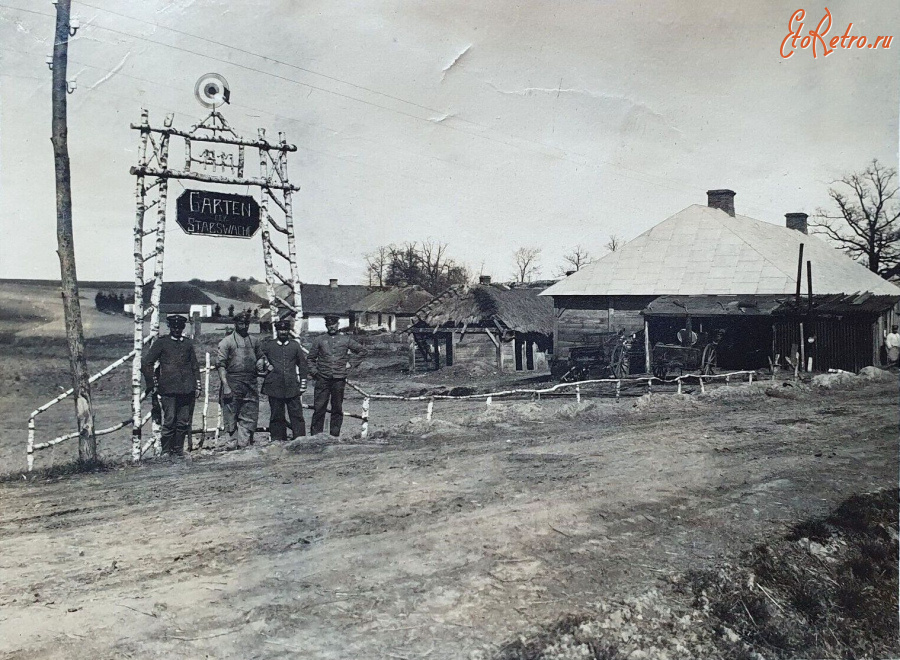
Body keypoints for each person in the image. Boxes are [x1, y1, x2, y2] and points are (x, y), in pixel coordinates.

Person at [141, 314, 201, 456]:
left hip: (187, 389)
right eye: (173, 327)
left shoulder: (187, 343)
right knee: (169, 421)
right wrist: (153, 383)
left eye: (179, 327)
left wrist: (198, 385)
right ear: (169, 327)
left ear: (183, 327)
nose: (176, 329)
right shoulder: (162, 343)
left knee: (183, 422)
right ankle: (166, 451)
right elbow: (146, 363)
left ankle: (178, 450)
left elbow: (195, 365)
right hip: (168, 389)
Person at [307, 315, 367, 436]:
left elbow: (362, 351)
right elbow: (310, 359)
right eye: (329, 325)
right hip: (322, 378)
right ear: (326, 326)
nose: (332, 327)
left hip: (339, 378)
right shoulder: (320, 340)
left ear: (338, 325)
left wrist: (352, 364)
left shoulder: (346, 340)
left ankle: (334, 435)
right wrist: (315, 372)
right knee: (319, 407)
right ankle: (316, 435)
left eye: (334, 324)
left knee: (337, 408)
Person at [216, 311, 263, 450]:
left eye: (246, 323)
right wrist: (226, 386)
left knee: (249, 413)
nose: (244, 326)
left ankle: (245, 446)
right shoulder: (227, 342)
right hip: (233, 382)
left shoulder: (254, 341)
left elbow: (260, 356)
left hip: (250, 383)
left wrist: (261, 361)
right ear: (235, 324)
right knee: (231, 414)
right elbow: (220, 365)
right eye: (241, 323)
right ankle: (231, 445)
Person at [259, 319, 309, 441]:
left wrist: (303, 383)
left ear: (288, 331)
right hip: (274, 386)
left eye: (285, 330)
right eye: (280, 330)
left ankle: (300, 440)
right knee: (276, 415)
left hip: (292, 386)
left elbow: (302, 365)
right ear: (277, 330)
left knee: (296, 415)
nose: (283, 332)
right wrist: (265, 364)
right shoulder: (269, 345)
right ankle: (278, 440)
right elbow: (258, 355)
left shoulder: (294, 346)